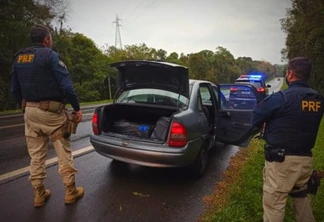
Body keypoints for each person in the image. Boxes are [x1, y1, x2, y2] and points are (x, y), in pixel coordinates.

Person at [10, 24, 84, 207]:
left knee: (36, 156)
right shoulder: (50, 55)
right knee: (63, 150)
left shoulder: (19, 57)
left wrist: (24, 106)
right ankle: (70, 191)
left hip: (29, 112)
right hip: (52, 114)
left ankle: (39, 195)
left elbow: (14, 88)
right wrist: (77, 108)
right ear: (46, 40)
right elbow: (67, 87)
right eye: (50, 38)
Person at [252, 57, 324, 222]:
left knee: (274, 206)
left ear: (290, 74)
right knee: (302, 200)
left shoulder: (281, 97)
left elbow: (255, 117)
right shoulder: (318, 99)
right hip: (305, 161)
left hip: (281, 163)